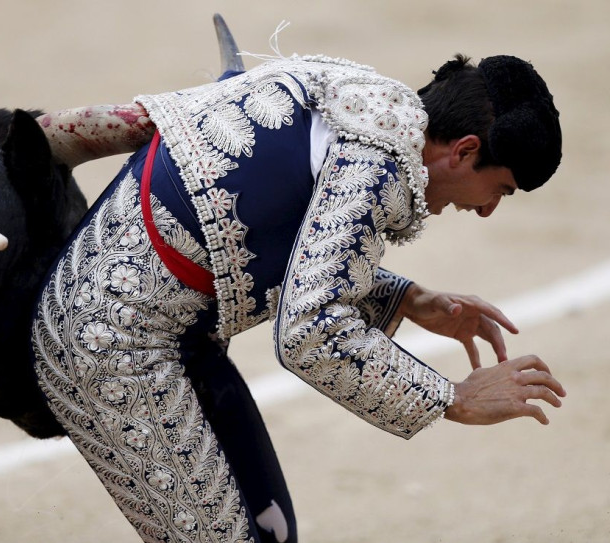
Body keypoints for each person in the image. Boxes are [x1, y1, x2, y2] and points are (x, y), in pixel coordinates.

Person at [31, 51, 564, 543]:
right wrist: (453, 398)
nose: (490, 208)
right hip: (111, 346)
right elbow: (311, 332)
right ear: (465, 151)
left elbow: (262, 232)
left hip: (172, 332)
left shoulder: (351, 93)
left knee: (271, 534)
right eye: (501, 189)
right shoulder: (376, 167)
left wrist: (404, 298)